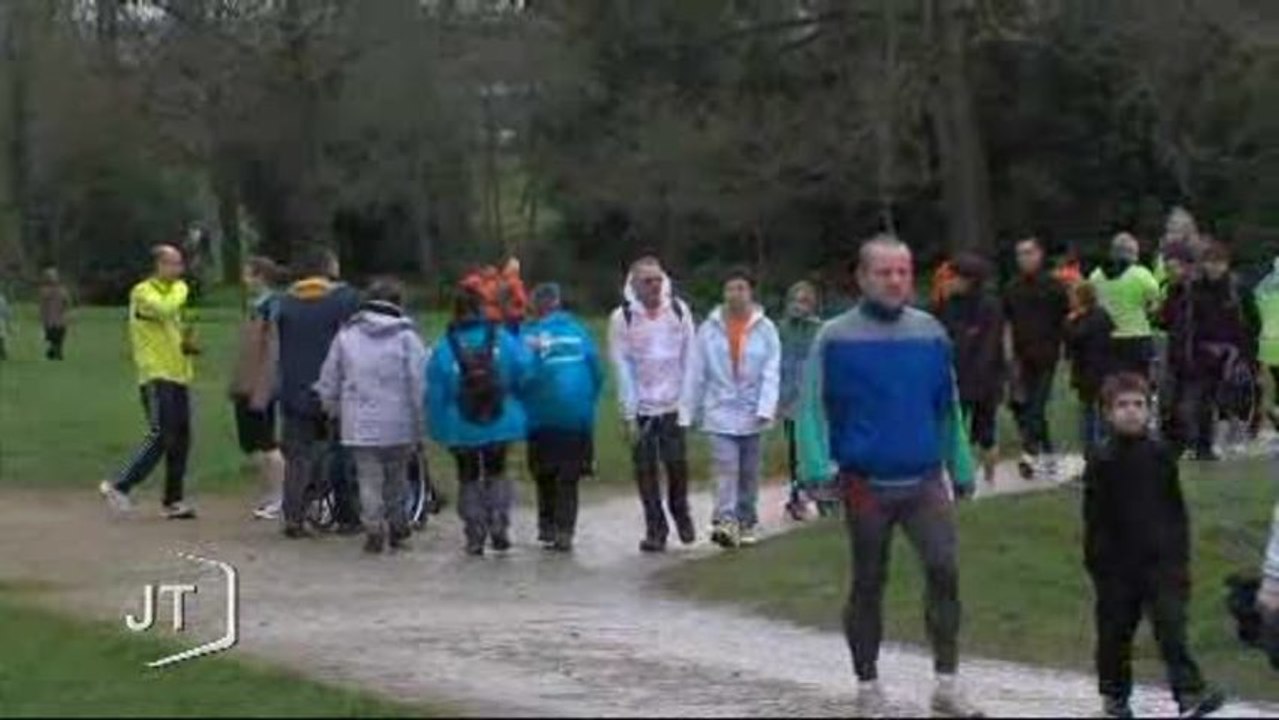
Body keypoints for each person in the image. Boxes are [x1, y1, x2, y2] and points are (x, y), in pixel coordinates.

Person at [796, 235, 980, 717]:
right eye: (885, 272)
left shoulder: (931, 333)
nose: (896, 280)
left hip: (923, 478)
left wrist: (960, 464)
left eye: (903, 271)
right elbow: (810, 405)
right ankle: (868, 685)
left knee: (944, 570)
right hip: (864, 481)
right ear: (862, 278)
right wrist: (817, 471)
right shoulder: (834, 337)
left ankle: (946, 681)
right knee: (869, 581)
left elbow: (947, 406)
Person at [1081, 373, 1225, 719]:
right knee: (1115, 634)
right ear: (1107, 412)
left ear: (1149, 410)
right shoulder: (1102, 459)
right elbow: (1094, 515)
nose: (1131, 413)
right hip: (1117, 565)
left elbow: (1180, 435)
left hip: (1163, 561)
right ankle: (1115, 699)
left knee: (1171, 626)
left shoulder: (1160, 452)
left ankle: (1189, 694)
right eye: (1122, 406)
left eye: (1138, 405)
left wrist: (1177, 555)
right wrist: (1099, 562)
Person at [315, 277, 428, 554]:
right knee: (397, 477)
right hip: (399, 421)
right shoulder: (407, 338)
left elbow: (329, 378)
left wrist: (331, 407)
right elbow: (419, 381)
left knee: (368, 478)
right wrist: (421, 419)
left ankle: (374, 528)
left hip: (359, 421)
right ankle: (398, 526)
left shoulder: (347, 337)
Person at [427, 283, 530, 556]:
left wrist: (437, 429)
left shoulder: (443, 347)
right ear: (481, 308)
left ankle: (474, 533)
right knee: (497, 470)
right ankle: (499, 523)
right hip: (500, 419)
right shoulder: (502, 338)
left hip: (460, 424)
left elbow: (436, 392)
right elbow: (523, 370)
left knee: (468, 476)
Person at [680, 268, 781, 549]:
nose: (735, 295)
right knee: (725, 467)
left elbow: (771, 372)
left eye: (741, 289)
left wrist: (766, 406)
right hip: (719, 408)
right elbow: (696, 371)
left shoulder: (766, 328)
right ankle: (725, 520)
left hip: (753, 410)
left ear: (750, 293)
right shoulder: (709, 328)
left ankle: (746, 520)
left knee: (749, 471)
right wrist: (687, 411)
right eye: (730, 289)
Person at [99, 245, 198, 519]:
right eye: (173, 264)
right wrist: (181, 289)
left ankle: (173, 499)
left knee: (182, 438)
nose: (179, 270)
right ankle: (120, 485)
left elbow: (170, 325)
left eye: (180, 264)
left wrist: (186, 344)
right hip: (155, 374)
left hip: (179, 372)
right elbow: (164, 310)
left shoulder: (174, 294)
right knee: (161, 433)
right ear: (158, 265)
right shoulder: (143, 292)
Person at [607, 256, 698, 553]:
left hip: (672, 403)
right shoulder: (622, 318)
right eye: (647, 281)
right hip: (643, 407)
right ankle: (655, 529)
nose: (654, 286)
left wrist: (686, 405)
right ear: (634, 284)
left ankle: (680, 512)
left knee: (676, 466)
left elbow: (690, 358)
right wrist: (629, 413)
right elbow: (621, 366)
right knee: (645, 471)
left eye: (658, 279)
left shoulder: (678, 311)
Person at [276, 247, 362, 538]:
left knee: (298, 457)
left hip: (293, 386)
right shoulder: (345, 299)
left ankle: (294, 515)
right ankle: (347, 515)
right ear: (329, 268)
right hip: (334, 387)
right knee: (340, 451)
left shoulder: (284, 302)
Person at [522, 283, 603, 552]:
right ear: (558, 304)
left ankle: (546, 525)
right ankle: (564, 529)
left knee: (543, 472)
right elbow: (596, 371)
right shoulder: (579, 332)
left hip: (540, 417)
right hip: (576, 415)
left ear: (535, 306)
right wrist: (588, 401)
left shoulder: (528, 334)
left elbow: (521, 374)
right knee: (568, 476)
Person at [1172, 242, 1257, 461]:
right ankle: (1202, 446)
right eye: (1210, 263)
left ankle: (1233, 440)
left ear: (1226, 265)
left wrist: (1246, 354)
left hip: (1232, 354)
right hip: (1201, 353)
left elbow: (1252, 322)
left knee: (1232, 400)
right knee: (1199, 401)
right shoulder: (1193, 290)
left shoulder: (1238, 289)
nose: (1214, 268)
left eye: (1218, 263)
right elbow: (1184, 324)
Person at [1003, 236, 1069, 481]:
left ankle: (1029, 454)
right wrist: (1008, 354)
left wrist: (1064, 347)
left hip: (1047, 355)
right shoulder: (1012, 288)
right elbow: (1007, 321)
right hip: (1022, 356)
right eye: (1020, 254)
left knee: (1037, 405)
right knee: (1024, 407)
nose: (1025, 258)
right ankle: (1048, 451)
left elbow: (1065, 316)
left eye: (1029, 253)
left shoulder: (1053, 286)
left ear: (1039, 255)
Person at [937, 253, 1005, 486]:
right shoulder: (948, 305)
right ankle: (961, 477)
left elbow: (990, 344)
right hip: (955, 375)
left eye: (954, 277)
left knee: (986, 430)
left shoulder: (989, 305)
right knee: (956, 430)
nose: (949, 282)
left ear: (968, 279)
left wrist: (981, 377)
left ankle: (990, 480)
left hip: (984, 378)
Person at [229, 257, 286, 521]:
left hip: (260, 387)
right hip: (246, 385)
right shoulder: (255, 307)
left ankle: (281, 495)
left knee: (267, 444)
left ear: (260, 276)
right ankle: (269, 493)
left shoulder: (271, 307)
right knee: (253, 444)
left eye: (249, 275)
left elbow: (272, 352)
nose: (245, 280)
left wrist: (262, 389)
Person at [778, 280, 823, 520]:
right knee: (794, 452)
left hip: (814, 401)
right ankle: (796, 496)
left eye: (804, 301)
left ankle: (822, 493)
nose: (799, 306)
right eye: (795, 300)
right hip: (789, 400)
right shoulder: (781, 330)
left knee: (814, 450)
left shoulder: (819, 330)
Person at [1089, 233, 1161, 379]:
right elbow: (1155, 303)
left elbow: (1092, 302)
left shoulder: (1096, 276)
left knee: (1112, 381)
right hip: (1137, 336)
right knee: (1139, 381)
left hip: (1106, 337)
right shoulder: (1141, 275)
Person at [1064, 282, 1116, 451]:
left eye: (1073, 296)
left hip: (1093, 370)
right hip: (1097, 369)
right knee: (1093, 410)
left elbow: (1077, 337)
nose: (1070, 300)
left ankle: (1097, 447)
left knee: (1094, 412)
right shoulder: (1101, 315)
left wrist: (1070, 322)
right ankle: (1094, 447)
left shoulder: (1090, 318)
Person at [1254, 258, 1279, 430]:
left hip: (1266, 346)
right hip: (1270, 346)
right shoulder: (1265, 287)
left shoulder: (1263, 286)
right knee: (1268, 391)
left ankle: (1267, 424)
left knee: (1267, 391)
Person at [38, 267, 72, 360]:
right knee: (52, 339)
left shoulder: (62, 291)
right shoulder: (45, 291)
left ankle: (56, 353)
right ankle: (54, 353)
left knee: (58, 339)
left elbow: (67, 304)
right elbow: (42, 307)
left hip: (60, 320)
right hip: (50, 321)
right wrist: (42, 318)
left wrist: (67, 315)